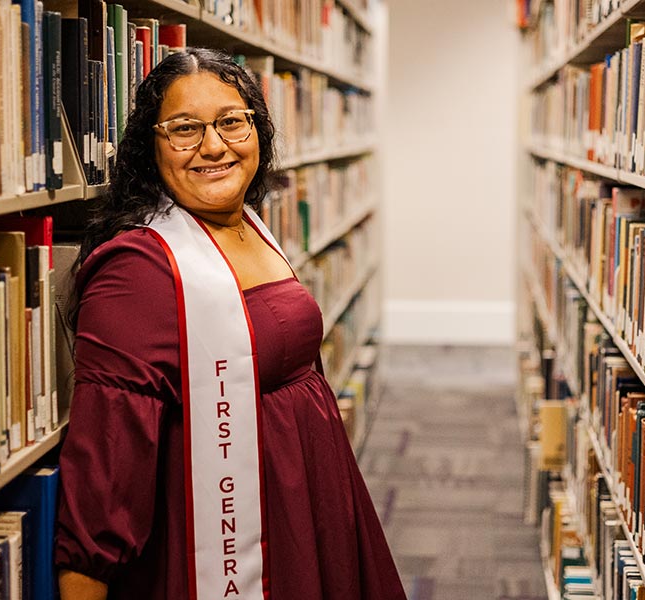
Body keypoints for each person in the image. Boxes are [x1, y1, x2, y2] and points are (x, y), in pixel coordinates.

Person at [54, 47, 405, 600]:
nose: (213, 146)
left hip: (304, 509)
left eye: (231, 122)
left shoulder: (250, 224)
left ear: (258, 131)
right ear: (152, 146)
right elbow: (107, 469)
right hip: (226, 542)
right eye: (184, 129)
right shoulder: (139, 271)